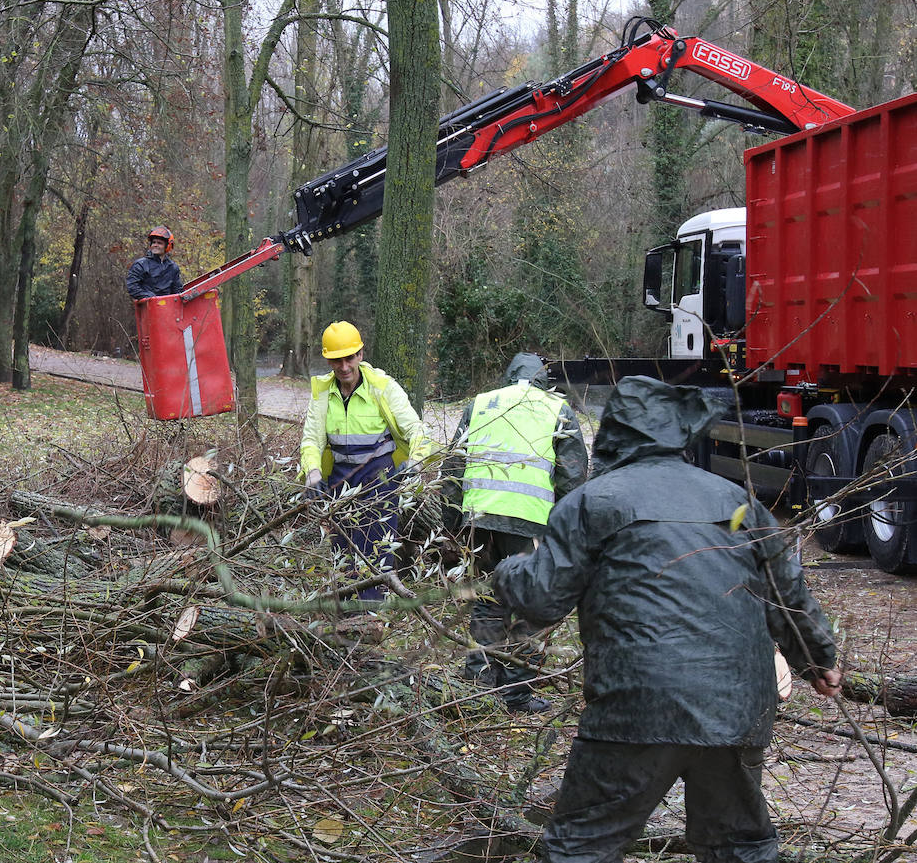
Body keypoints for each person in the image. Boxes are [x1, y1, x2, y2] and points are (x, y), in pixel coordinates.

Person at [493, 376, 842, 863]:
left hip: (635, 707)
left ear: (613, 432)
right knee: (740, 847)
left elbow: (540, 601)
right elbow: (787, 591)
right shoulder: (739, 505)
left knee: (582, 846)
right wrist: (817, 659)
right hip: (736, 706)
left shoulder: (594, 502)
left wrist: (507, 570)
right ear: (681, 434)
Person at [443, 353, 587, 713]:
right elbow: (573, 479)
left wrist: (451, 522)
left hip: (478, 519)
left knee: (485, 599)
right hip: (529, 524)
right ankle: (517, 692)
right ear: (543, 378)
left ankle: (479, 684)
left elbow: (453, 467)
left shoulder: (480, 404)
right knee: (529, 604)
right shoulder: (557, 409)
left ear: (508, 376)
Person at [300, 321, 435, 602]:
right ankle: (348, 609)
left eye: (349, 358)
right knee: (344, 548)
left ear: (360, 355)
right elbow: (311, 440)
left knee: (376, 546)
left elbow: (417, 430)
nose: (344, 366)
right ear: (328, 360)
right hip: (339, 478)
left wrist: (416, 463)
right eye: (337, 360)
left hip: (380, 478)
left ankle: (371, 613)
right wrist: (312, 473)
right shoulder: (323, 392)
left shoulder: (383, 387)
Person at [125, 225, 183, 300]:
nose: (155, 245)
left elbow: (177, 291)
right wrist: (151, 297)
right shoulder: (140, 265)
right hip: (148, 307)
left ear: (167, 246)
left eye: (159, 243)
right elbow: (132, 287)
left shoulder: (173, 267)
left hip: (168, 308)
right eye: (154, 242)